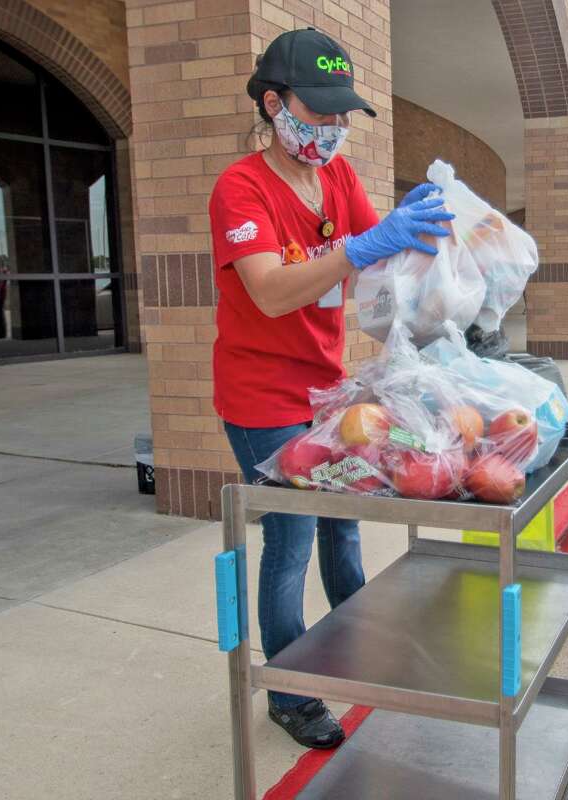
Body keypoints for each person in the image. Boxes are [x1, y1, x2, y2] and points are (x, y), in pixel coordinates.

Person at [207, 28, 453, 749]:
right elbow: (274, 293)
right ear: (274, 104)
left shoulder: (338, 179)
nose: (332, 130)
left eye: (341, 115)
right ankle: (290, 689)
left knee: (344, 523)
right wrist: (361, 247)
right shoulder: (240, 188)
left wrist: (420, 253)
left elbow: (375, 276)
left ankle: (360, 653)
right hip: (261, 397)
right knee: (290, 540)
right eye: (318, 115)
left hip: (324, 386)